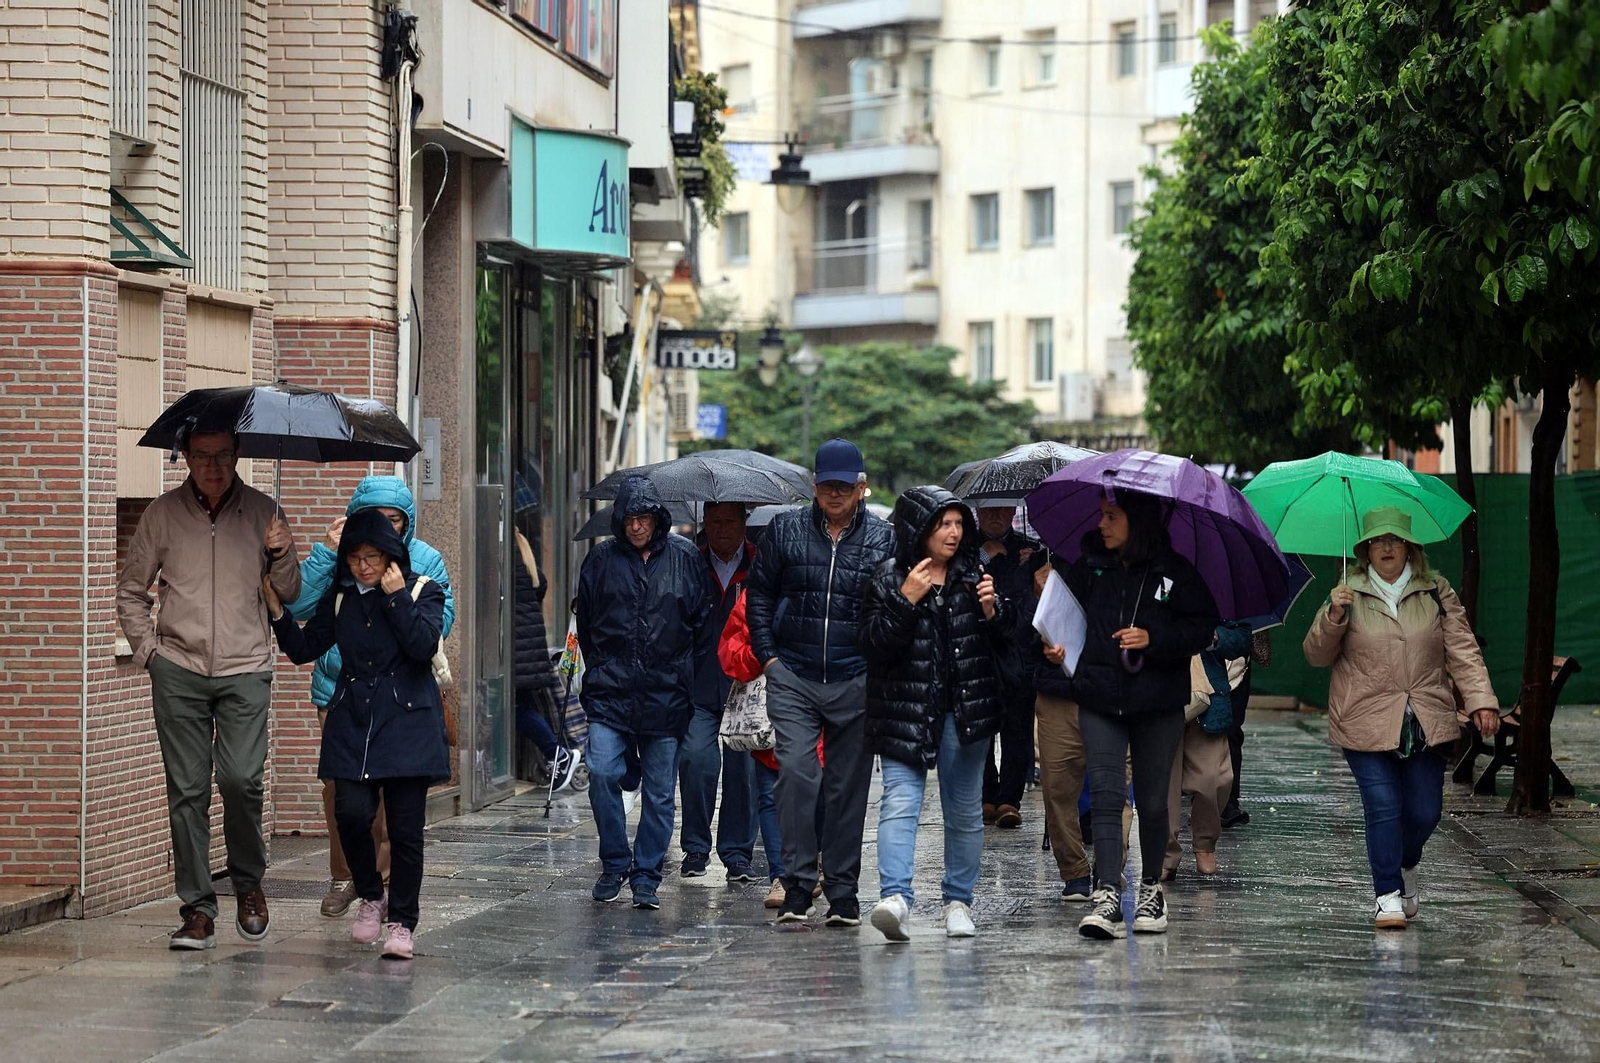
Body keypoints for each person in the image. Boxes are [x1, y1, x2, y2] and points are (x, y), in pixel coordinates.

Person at [116, 430, 300, 950]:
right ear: (187, 458)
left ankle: (248, 884)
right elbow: (131, 591)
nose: (212, 466)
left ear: (237, 456)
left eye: (221, 455)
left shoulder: (265, 512)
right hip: (178, 668)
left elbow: (290, 593)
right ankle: (197, 908)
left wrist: (283, 554)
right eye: (202, 456)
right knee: (188, 791)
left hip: (245, 669)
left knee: (242, 779)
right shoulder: (162, 514)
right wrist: (148, 652)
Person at [264, 509, 448, 960]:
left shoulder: (424, 588)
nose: (364, 566)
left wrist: (397, 597)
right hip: (354, 721)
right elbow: (304, 648)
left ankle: (402, 922)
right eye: (355, 558)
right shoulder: (341, 595)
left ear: (392, 554)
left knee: (405, 831)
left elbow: (423, 646)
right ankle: (371, 895)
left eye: (373, 556)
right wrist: (276, 611)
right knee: (349, 815)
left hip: (408, 723)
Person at [1304, 506, 1498, 929]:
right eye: (1377, 540)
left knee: (1426, 812)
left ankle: (1407, 864)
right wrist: (1332, 615)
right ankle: (1387, 894)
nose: (1386, 547)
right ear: (1365, 550)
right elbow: (1316, 655)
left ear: (1410, 547)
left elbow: (1463, 648)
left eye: (1394, 540)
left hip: (1427, 720)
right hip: (1364, 719)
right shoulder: (1347, 591)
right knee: (1384, 806)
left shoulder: (1435, 591)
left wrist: (1482, 700)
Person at [745, 438, 895, 926]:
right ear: (814, 485)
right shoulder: (785, 531)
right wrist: (769, 659)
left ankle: (845, 891)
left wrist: (877, 664)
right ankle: (797, 884)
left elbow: (893, 605)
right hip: (794, 674)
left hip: (856, 676)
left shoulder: (884, 539)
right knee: (797, 775)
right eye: (827, 485)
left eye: (844, 486)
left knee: (847, 788)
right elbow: (759, 597)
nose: (835, 493)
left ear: (861, 487)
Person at [1065, 490, 1219, 940]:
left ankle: (1151, 888)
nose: (1102, 524)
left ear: (1138, 522)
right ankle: (1108, 893)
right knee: (1108, 798)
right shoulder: (1089, 567)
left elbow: (1200, 627)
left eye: (1112, 516)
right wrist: (1053, 643)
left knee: (1153, 802)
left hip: (1157, 703)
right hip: (1099, 699)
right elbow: (1065, 618)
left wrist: (1154, 637)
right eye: (1101, 515)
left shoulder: (1174, 572)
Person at [859, 488, 1005, 941]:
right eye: (944, 524)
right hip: (905, 710)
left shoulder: (973, 576)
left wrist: (993, 611)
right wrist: (905, 599)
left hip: (966, 713)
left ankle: (958, 901)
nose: (954, 532)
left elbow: (1006, 639)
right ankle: (895, 898)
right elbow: (871, 645)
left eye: (960, 524)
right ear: (917, 529)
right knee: (900, 802)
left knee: (963, 811)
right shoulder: (886, 578)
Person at [576, 475, 713, 910]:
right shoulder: (600, 560)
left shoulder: (686, 558)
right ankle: (615, 861)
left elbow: (700, 625)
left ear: (658, 519)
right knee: (601, 770)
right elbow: (588, 624)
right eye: (630, 518)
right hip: (610, 690)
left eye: (644, 518)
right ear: (619, 520)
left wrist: (684, 676)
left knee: (658, 791)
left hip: (667, 691)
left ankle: (647, 874)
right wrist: (600, 668)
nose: (637, 526)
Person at [1030, 558, 1134, 904]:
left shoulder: (1138, 564)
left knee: (1116, 786)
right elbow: (1011, 628)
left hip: (1113, 690)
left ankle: (1108, 867)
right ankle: (1074, 871)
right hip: (1059, 691)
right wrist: (1036, 600)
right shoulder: (1042, 562)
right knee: (1058, 785)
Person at [718, 587, 827, 908]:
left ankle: (813, 859)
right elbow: (730, 650)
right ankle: (782, 875)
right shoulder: (756, 595)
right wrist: (764, 656)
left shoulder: (824, 582)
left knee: (818, 794)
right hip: (769, 715)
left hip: (820, 708)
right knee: (769, 795)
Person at [677, 501, 758, 881]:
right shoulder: (690, 563)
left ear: (745, 522)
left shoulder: (761, 563)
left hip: (745, 686)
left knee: (743, 772)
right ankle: (695, 848)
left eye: (729, 521)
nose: (721, 529)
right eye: (713, 522)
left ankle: (738, 853)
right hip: (700, 683)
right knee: (695, 761)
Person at [1164, 623, 1251, 880]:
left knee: (1214, 778)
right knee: (1164, 782)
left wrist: (1214, 636)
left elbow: (1243, 639)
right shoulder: (1150, 585)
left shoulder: (1220, 589)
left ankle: (1204, 843)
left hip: (1208, 696)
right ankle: (1164, 853)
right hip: (1160, 692)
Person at [974, 505, 1038, 830]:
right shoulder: (966, 547)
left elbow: (1034, 596)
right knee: (980, 726)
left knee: (1018, 728)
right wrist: (984, 556)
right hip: (979, 651)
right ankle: (986, 792)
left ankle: (1009, 799)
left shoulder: (1030, 549)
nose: (996, 516)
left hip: (1018, 649)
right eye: (989, 510)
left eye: (1003, 509)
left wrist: (1032, 565)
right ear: (977, 511)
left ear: (1013, 510)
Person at [513, 520, 581, 793]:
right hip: (529, 644)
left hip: (517, 646)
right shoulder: (523, 548)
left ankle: (558, 754)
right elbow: (540, 584)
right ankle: (554, 756)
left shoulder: (505, 553)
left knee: (518, 710)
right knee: (524, 707)